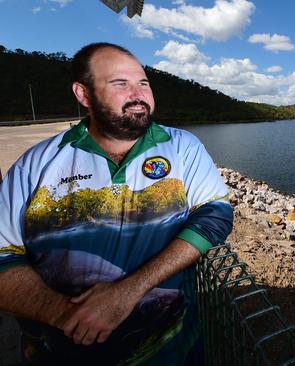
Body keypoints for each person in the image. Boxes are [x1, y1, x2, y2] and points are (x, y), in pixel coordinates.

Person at [0, 42, 233, 364]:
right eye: (120, 83)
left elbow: (215, 214)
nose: (138, 94)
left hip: (174, 352)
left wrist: (128, 292)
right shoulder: (36, 165)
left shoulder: (182, 146)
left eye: (144, 83)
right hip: (55, 354)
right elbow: (3, 255)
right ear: (84, 95)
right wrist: (65, 313)